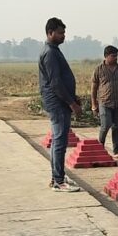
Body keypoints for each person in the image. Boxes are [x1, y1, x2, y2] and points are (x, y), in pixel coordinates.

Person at [38, 17, 82, 192]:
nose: (63, 36)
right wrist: (72, 103)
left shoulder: (54, 50)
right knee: (59, 141)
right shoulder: (49, 53)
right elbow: (55, 83)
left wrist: (73, 96)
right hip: (57, 103)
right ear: (50, 33)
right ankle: (58, 180)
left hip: (61, 101)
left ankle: (58, 176)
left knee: (60, 141)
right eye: (60, 33)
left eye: (64, 33)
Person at [91, 45, 118, 159]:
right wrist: (94, 104)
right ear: (106, 56)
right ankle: (100, 148)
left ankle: (116, 151)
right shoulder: (98, 69)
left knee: (116, 127)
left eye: (116, 56)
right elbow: (94, 88)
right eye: (113, 56)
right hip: (104, 102)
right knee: (106, 125)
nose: (115, 58)